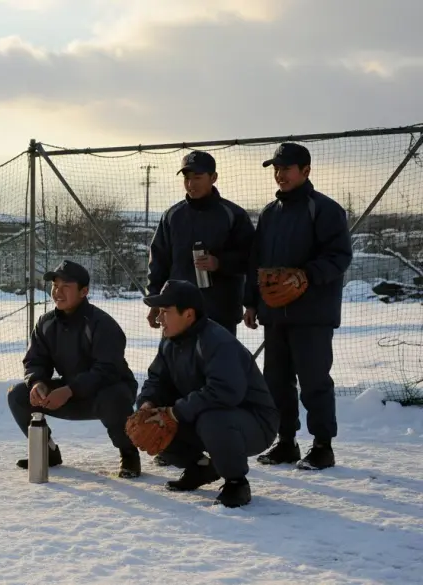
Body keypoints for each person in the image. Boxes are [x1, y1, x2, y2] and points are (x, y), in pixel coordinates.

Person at [246, 143, 352, 471]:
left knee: (314, 380)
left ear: (305, 171)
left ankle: (322, 446)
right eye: (276, 169)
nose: (280, 174)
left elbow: (339, 257)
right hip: (275, 314)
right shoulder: (269, 213)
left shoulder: (324, 210)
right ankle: (286, 442)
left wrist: (305, 275)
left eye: (286, 168)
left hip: (313, 315)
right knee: (276, 380)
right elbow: (257, 262)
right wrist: (251, 301)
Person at [137, 279, 279, 508]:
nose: (159, 317)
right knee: (151, 422)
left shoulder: (217, 341)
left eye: (165, 311)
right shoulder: (169, 341)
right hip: (209, 415)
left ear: (189, 315)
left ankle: (236, 483)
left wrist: (174, 412)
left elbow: (224, 393)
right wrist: (147, 404)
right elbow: (156, 380)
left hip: (255, 423)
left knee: (211, 418)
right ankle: (201, 467)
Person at [7, 260, 142, 479]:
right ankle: (47, 451)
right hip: (71, 392)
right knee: (18, 395)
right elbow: (35, 361)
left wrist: (69, 390)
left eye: (65, 287)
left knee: (113, 397)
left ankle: (128, 454)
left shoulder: (102, 324)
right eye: (55, 286)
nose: (57, 292)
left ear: (84, 291)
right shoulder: (46, 323)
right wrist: (37, 382)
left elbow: (107, 371)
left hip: (107, 392)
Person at [146, 150, 256, 337]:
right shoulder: (172, 215)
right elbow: (159, 261)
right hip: (177, 312)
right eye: (187, 178)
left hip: (220, 312)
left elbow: (252, 259)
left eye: (197, 177)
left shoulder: (233, 215)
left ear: (213, 177)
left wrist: (219, 263)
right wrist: (155, 299)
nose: (191, 184)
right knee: (175, 364)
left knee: (218, 365)